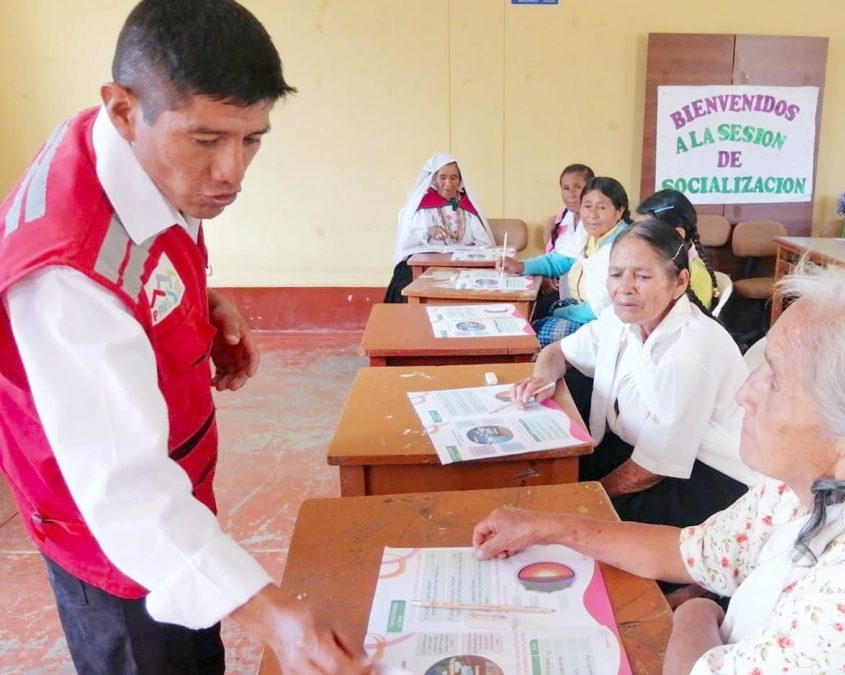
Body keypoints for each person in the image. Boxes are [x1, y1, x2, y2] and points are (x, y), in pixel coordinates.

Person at [0, 2, 369, 673]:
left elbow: (151, 246)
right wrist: (275, 616)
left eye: (252, 138)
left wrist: (198, 304)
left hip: (180, 488)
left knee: (203, 640)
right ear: (121, 109)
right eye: (206, 141)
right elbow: (130, 500)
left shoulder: (133, 150)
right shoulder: (66, 279)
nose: (233, 172)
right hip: (112, 544)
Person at [473, 266, 845, 675]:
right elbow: (693, 553)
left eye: (776, 379)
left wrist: (702, 611)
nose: (747, 393)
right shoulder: (829, 479)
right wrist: (549, 527)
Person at [511, 220, 754, 528]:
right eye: (615, 274)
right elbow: (557, 352)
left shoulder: (691, 350)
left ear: (680, 283)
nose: (624, 288)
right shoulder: (620, 317)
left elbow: (650, 470)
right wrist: (542, 378)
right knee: (548, 472)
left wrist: (589, 496)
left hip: (707, 474)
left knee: (583, 524)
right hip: (642, 448)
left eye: (642, 276)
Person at [497, 176, 631, 345]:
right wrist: (520, 266)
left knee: (532, 332)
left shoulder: (623, 246)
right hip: (581, 306)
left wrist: (561, 313)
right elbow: (559, 261)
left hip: (607, 323)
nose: (592, 215)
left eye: (602, 207)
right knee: (533, 312)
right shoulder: (587, 235)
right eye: (587, 206)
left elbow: (600, 308)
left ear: (619, 211)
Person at [384, 153, 493, 303]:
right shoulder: (422, 208)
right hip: (424, 266)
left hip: (461, 266)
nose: (448, 183)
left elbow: (485, 243)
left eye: (453, 178)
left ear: (460, 180)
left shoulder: (467, 209)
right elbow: (406, 242)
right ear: (434, 179)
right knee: (405, 283)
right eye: (443, 177)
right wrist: (428, 231)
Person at [635, 189, 718, 311]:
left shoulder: (691, 279)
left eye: (646, 232)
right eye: (635, 229)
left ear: (678, 234)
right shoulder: (669, 264)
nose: (635, 238)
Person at [533, 163, 594, 318]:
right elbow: (554, 257)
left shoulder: (596, 222)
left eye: (577, 187)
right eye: (565, 188)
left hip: (582, 298)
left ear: (591, 189)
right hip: (557, 289)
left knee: (535, 314)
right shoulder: (560, 220)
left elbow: (573, 259)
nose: (571, 194)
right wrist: (546, 277)